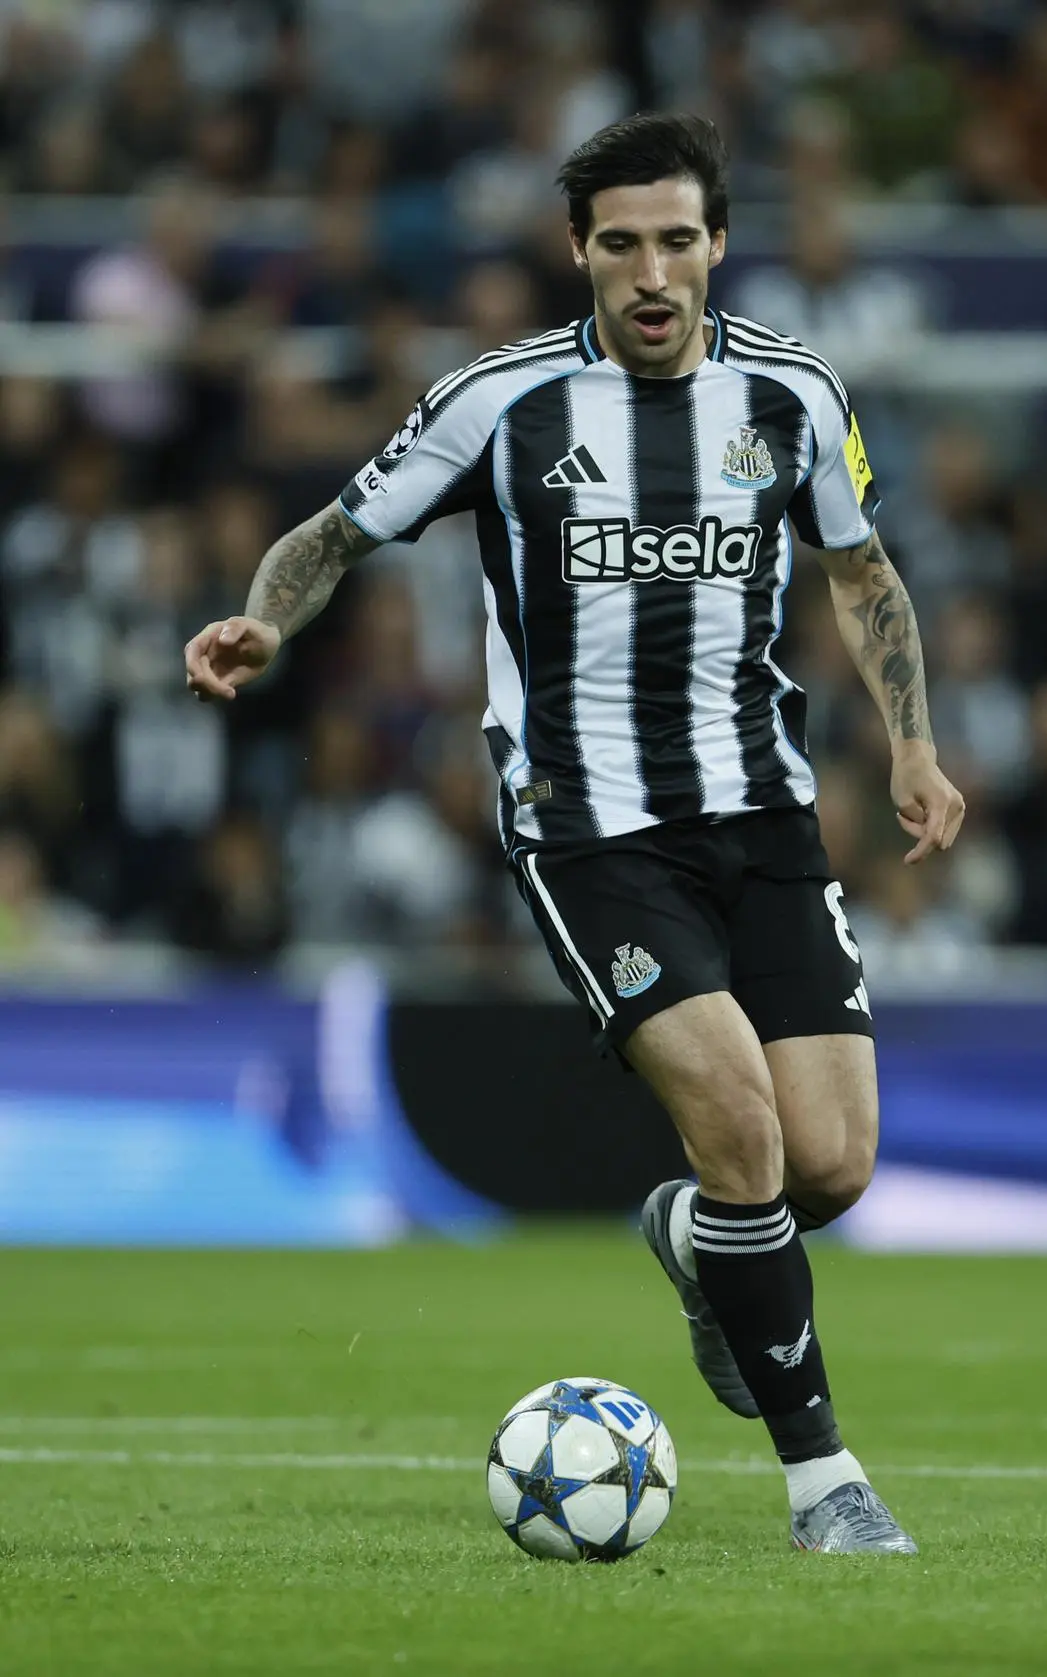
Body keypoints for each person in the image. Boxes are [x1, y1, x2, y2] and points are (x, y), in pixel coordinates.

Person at [184, 112, 965, 1556]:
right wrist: (262, 616)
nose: (653, 271)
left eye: (679, 239)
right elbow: (334, 533)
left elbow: (861, 574)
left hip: (765, 814)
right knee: (740, 1131)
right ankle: (826, 1484)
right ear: (580, 254)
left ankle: (693, 1240)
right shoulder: (503, 400)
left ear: (719, 244)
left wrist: (911, 744)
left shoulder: (792, 394)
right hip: (591, 829)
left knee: (830, 1168)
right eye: (623, 243)